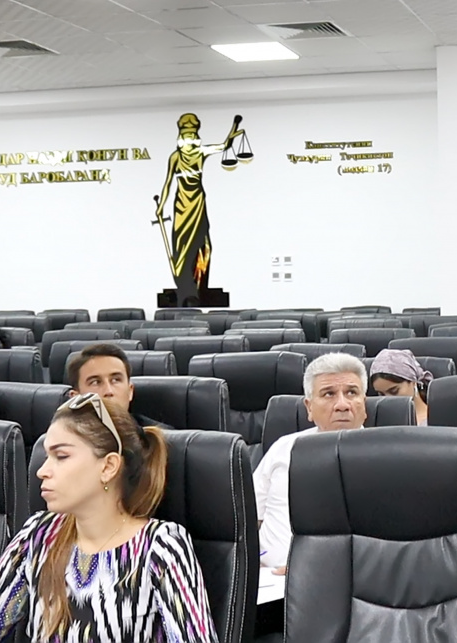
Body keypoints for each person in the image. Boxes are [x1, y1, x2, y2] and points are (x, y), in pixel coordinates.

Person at [0, 393, 218, 643]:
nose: (42, 471)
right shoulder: (38, 534)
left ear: (108, 467)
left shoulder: (160, 545)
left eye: (61, 456)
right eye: (46, 456)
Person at [254, 352, 368, 573]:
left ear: (364, 403)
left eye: (351, 392)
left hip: (344, 580)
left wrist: (310, 570)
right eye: (329, 394)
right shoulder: (283, 448)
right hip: (267, 579)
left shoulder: (386, 457)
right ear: (309, 407)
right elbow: (249, 519)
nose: (342, 405)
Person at [155, 113, 246, 306]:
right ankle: (186, 288)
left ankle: (200, 285)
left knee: (204, 245)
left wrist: (233, 130)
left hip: (197, 201)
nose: (189, 138)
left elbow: (224, 146)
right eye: (186, 134)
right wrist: (161, 206)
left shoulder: (201, 152)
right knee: (182, 245)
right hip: (182, 205)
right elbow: (167, 183)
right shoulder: (175, 157)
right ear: (181, 136)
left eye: (192, 134)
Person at [66, 343, 169, 429]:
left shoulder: (160, 439)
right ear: (75, 398)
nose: (108, 391)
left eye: (116, 380)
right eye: (95, 382)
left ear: (130, 391)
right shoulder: (62, 439)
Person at [370, 348, 433, 425]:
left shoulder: (436, 420)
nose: (388, 399)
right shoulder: (376, 421)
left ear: (413, 382)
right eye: (381, 394)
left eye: (394, 391)